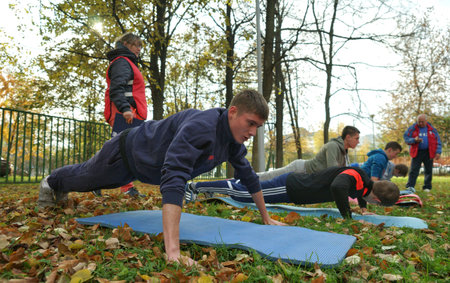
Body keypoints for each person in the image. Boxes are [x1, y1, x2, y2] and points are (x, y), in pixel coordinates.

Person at [37, 89, 285, 265]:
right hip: (125, 153)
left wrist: (266, 218)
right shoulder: (202, 126)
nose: (253, 132)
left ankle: (60, 182)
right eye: (250, 123)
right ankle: (51, 182)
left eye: (258, 128)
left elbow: (250, 178)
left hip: (143, 167)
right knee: (86, 178)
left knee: (95, 180)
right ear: (233, 112)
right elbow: (175, 177)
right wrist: (173, 251)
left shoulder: (233, 143)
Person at [186, 166, 400, 219]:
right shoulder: (356, 174)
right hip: (292, 187)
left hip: (293, 188)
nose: (371, 204)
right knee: (244, 195)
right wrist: (348, 216)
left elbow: (359, 192)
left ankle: (231, 182)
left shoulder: (363, 184)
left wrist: (362, 209)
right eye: (375, 205)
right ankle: (195, 187)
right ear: (377, 199)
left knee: (244, 189)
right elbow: (338, 187)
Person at [93, 32, 147, 198]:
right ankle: (122, 187)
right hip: (125, 113)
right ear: (126, 44)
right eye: (136, 45)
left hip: (130, 113)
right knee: (122, 151)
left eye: (140, 46)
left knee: (123, 150)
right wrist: (125, 109)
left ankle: (97, 180)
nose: (139, 49)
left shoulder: (127, 62)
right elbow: (117, 88)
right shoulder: (122, 62)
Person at [257, 126, 360, 181]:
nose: (358, 141)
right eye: (356, 138)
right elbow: (332, 170)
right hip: (300, 168)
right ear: (348, 137)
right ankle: (251, 178)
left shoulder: (344, 152)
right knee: (272, 176)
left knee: (272, 179)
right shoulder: (333, 146)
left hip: (306, 174)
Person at [404, 114, 442, 192]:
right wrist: (414, 140)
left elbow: (438, 141)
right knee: (414, 170)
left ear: (426, 121)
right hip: (417, 152)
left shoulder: (432, 129)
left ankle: (427, 187)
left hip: (429, 152)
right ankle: (410, 186)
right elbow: (406, 138)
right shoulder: (412, 128)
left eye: (422, 122)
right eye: (419, 122)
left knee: (428, 170)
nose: (420, 123)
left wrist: (438, 152)